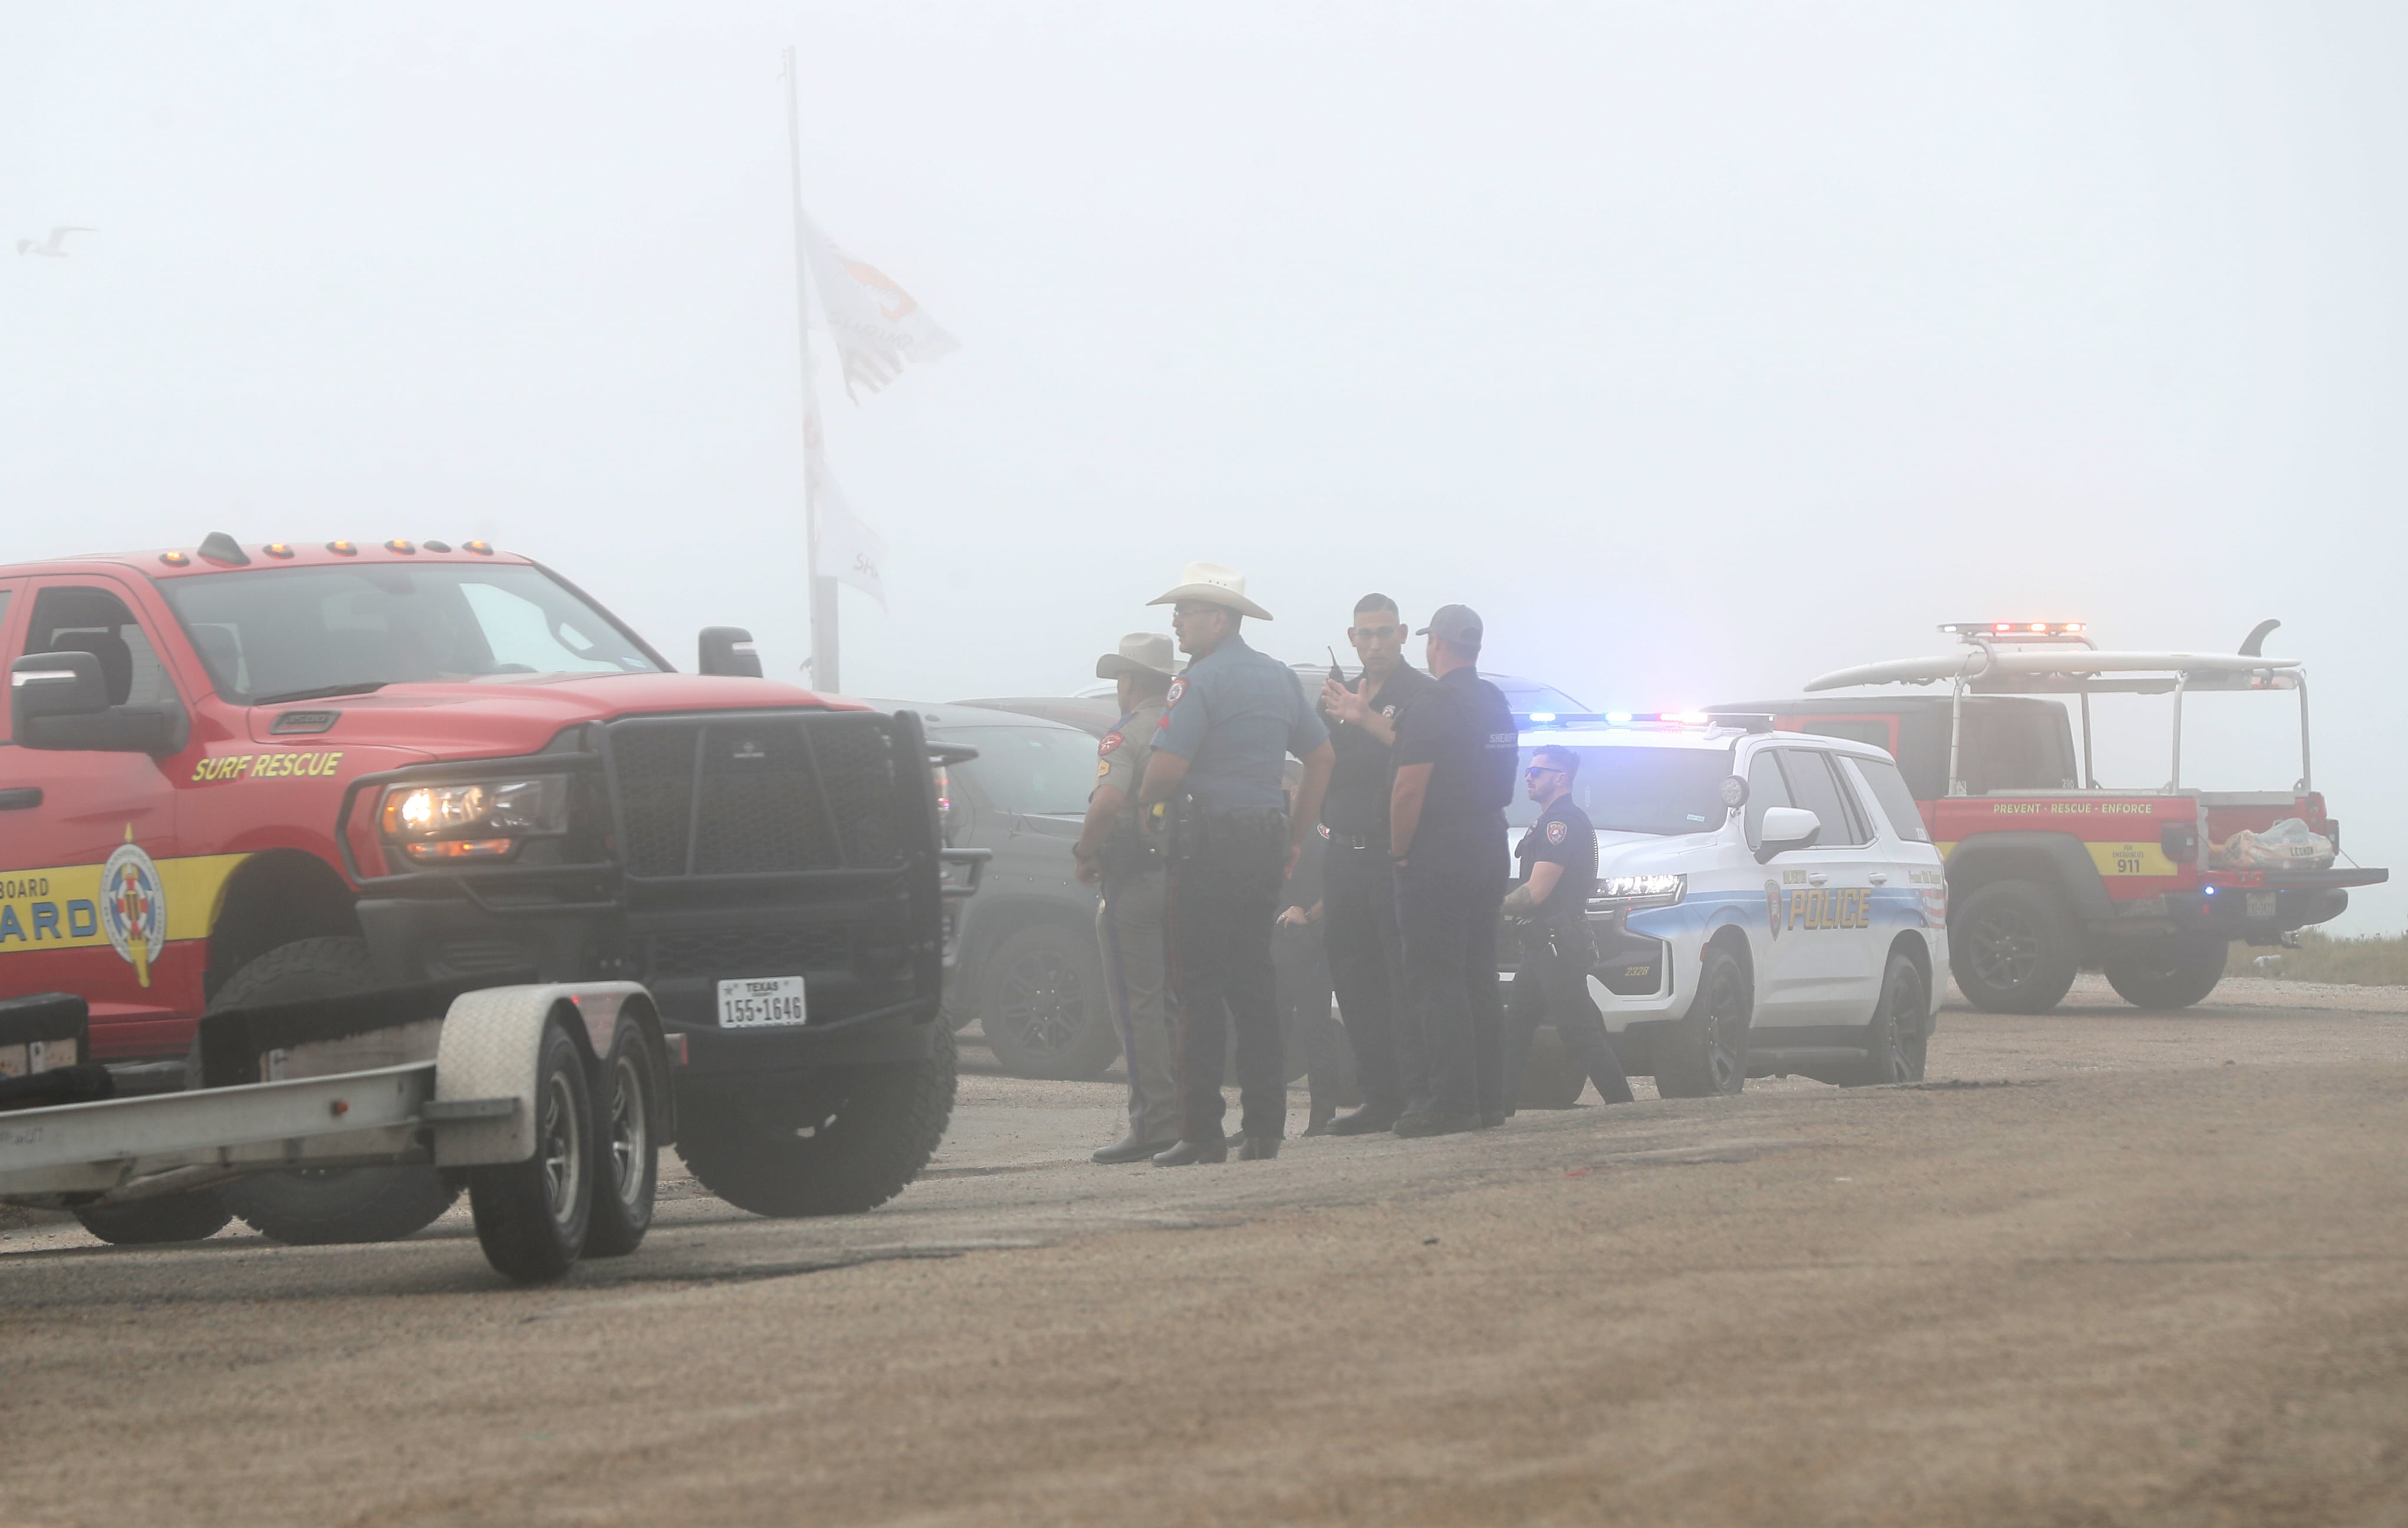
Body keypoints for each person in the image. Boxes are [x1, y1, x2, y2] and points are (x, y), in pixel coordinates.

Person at [1137, 563, 1334, 1165]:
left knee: (1196, 989)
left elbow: (1165, 771)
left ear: (1217, 618)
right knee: (1254, 987)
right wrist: (1295, 837)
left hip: (1205, 850)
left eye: (1185, 611)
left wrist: (1145, 803)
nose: (1175, 621)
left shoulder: (1198, 681)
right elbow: (1322, 757)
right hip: (1262, 845)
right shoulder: (1277, 678)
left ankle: (1200, 1133)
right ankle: (1264, 1128)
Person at [1387, 603, 1518, 1136]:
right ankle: (1489, 1099)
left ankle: (1449, 1102)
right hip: (1490, 840)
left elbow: (1409, 787)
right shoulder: (1496, 702)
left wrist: (1399, 850)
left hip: (1439, 848)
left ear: (1435, 643)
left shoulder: (1431, 703)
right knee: (1478, 973)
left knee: (1436, 977)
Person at [1314, 593, 1436, 1133]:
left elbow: (1420, 760)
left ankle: (1416, 1094)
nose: (1376, 643)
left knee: (1402, 978)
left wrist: (1363, 720)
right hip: (1341, 853)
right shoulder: (1337, 696)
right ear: (1352, 638)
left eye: (1386, 632)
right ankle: (1377, 1095)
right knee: (1354, 978)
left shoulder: (1420, 695)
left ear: (1404, 634)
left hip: (1393, 856)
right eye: (1366, 634)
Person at [1072, 633, 1185, 1164]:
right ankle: (1187, 1115)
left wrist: (1084, 851)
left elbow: (1106, 804)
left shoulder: (1129, 733)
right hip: (1183, 877)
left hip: (1134, 878)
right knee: (1170, 1002)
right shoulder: (1186, 726)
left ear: (1131, 680)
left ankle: (1152, 1124)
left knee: (1135, 1004)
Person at [1499, 744, 1636, 1109]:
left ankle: (1625, 1107)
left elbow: (1536, 893)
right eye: (1528, 771)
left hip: (1556, 945)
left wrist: (1488, 911)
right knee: (1515, 1030)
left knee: (1581, 1035)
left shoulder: (1561, 825)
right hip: (1542, 945)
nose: (1528, 776)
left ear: (1560, 779)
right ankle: (1498, 1108)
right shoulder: (1551, 821)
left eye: (1537, 772)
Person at [1273, 759, 1356, 1135]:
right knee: (1268, 1031)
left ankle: (1322, 1114)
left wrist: (1309, 913)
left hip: (1309, 942)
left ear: (1296, 789)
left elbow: (1340, 886)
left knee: (1314, 1029)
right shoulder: (1277, 827)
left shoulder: (1322, 830)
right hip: (1273, 941)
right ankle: (1264, 1118)